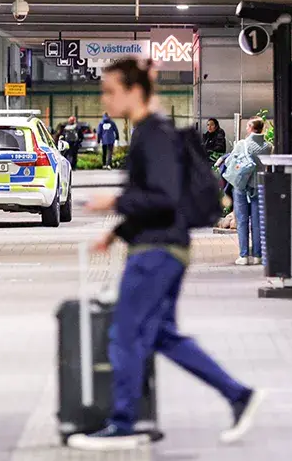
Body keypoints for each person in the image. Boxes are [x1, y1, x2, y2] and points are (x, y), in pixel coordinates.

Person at [72, 58, 263, 451]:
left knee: (123, 333)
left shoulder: (152, 134)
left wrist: (115, 200)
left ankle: (124, 423)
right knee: (161, 335)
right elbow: (162, 198)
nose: (104, 99)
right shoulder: (152, 132)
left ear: (134, 91)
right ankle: (238, 395)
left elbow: (162, 196)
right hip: (165, 245)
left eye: (110, 91)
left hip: (155, 252)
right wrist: (118, 231)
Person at [230, 118, 273, 266]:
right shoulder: (268, 147)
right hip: (259, 186)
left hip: (242, 187)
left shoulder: (242, 144)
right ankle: (257, 256)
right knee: (257, 222)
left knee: (242, 221)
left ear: (250, 127)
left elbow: (232, 162)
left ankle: (243, 256)